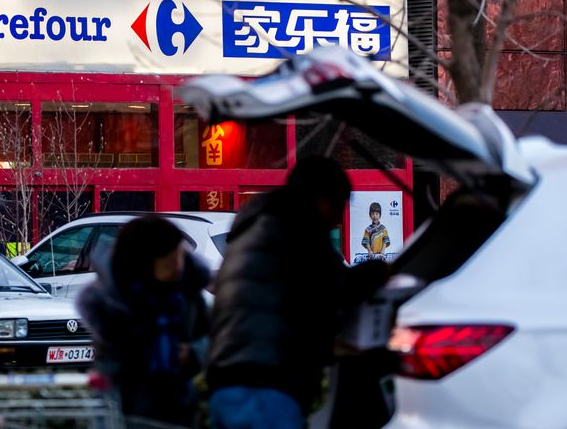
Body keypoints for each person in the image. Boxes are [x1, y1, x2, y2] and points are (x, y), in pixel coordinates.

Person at [206, 156, 388, 429]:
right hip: (267, 386)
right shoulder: (299, 228)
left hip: (226, 380)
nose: (338, 218)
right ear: (319, 198)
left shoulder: (255, 222)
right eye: (338, 205)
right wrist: (379, 271)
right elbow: (333, 290)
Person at [78, 216, 211, 427]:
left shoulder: (189, 293)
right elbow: (110, 366)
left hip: (184, 406)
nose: (178, 265)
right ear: (144, 262)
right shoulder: (112, 303)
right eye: (169, 260)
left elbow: (212, 337)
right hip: (129, 410)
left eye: (180, 255)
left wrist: (193, 353)